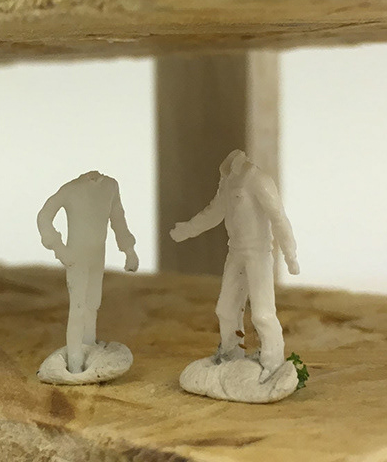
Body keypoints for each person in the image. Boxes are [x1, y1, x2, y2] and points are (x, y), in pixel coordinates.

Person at [171, 150, 300, 402]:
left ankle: (272, 362)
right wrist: (187, 230)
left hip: (258, 254)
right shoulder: (228, 180)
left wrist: (290, 254)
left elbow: (278, 218)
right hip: (236, 252)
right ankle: (231, 355)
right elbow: (214, 212)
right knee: (226, 309)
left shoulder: (258, 179)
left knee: (262, 313)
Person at [36, 171, 139, 382]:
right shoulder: (71, 190)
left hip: (97, 255)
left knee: (92, 303)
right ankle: (75, 362)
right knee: (78, 306)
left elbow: (118, 219)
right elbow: (44, 216)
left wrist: (129, 250)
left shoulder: (110, 187)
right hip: (76, 256)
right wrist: (59, 248)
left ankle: (88, 346)